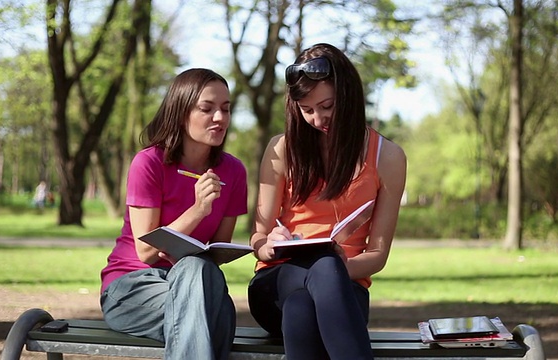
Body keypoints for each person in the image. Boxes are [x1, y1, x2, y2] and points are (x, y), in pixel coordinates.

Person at [247, 43, 407, 360]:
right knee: (316, 275)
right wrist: (268, 245)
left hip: (345, 291)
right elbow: (257, 237)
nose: (318, 118)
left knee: (302, 307)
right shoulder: (281, 150)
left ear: (347, 96)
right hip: (276, 283)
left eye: (327, 106)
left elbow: (376, 255)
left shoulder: (387, 157)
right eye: (306, 110)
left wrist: (335, 268)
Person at [100, 68, 248, 360]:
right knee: (211, 310)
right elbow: (145, 251)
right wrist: (198, 210)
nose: (220, 118)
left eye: (226, 109)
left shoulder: (234, 171)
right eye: (207, 109)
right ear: (181, 112)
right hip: (133, 287)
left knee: (198, 270)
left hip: (197, 285)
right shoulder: (149, 163)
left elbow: (216, 249)